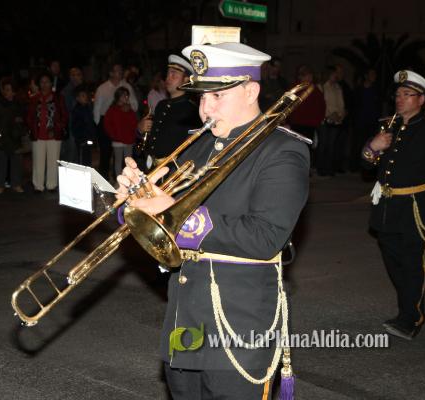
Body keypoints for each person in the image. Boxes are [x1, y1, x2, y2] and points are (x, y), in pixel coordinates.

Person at [116, 42, 310, 399]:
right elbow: (156, 210)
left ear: (251, 91)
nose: (205, 109)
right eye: (201, 97)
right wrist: (134, 198)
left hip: (239, 323)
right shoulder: (198, 144)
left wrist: (176, 212)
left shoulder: (283, 151)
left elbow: (266, 236)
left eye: (217, 96)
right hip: (186, 320)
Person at [362, 70, 425, 340]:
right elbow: (367, 164)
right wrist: (372, 147)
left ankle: (412, 318)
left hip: (416, 206)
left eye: (407, 95)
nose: (400, 99)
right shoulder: (387, 124)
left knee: (414, 264)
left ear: (421, 99)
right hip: (387, 207)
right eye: (398, 94)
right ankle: (406, 309)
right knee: (394, 262)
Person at [136, 54, 201, 171]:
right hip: (151, 168)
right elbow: (153, 138)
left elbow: (194, 149)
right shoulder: (161, 105)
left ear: (186, 79)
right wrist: (140, 129)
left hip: (173, 171)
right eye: (168, 73)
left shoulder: (193, 111)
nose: (168, 78)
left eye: (174, 74)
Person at [93, 63, 138, 179]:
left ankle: (120, 178)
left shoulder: (127, 87)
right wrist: (99, 126)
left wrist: (129, 107)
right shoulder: (102, 88)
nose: (120, 73)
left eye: (121, 71)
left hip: (124, 122)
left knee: (123, 156)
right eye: (117, 71)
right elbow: (97, 108)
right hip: (106, 121)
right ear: (111, 73)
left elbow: (135, 105)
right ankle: (104, 179)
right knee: (105, 153)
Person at [26, 72, 68, 193]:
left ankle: (51, 185)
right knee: (37, 162)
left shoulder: (58, 98)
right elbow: (29, 116)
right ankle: (38, 186)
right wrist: (31, 127)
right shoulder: (34, 99)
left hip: (54, 135)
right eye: (42, 82)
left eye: (47, 81)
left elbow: (64, 115)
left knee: (53, 161)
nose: (45, 84)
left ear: (51, 83)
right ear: (39, 84)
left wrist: (59, 127)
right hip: (38, 134)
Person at [0, 78, 26, 193]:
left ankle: (16, 184)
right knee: (1, 162)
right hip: (2, 136)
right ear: (3, 91)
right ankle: (0, 184)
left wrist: (19, 124)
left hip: (15, 136)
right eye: (7, 90)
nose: (9, 93)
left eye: (11, 90)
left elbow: (22, 120)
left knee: (16, 162)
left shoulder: (19, 104)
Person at [103, 87, 137, 178]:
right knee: (118, 162)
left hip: (128, 140)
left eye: (127, 95)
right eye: (124, 95)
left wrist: (132, 135)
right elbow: (107, 124)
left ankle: (129, 180)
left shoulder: (130, 110)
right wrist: (114, 135)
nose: (126, 97)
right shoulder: (112, 110)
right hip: (117, 140)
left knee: (129, 162)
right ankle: (119, 181)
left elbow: (134, 124)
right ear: (118, 97)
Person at [70, 84, 97, 166]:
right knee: (81, 159)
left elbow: (91, 124)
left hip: (88, 138)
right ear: (77, 98)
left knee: (88, 159)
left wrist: (92, 136)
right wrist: (80, 139)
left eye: (85, 95)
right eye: (82, 96)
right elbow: (75, 126)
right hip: (81, 140)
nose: (85, 97)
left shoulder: (88, 108)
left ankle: (88, 175)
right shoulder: (76, 110)